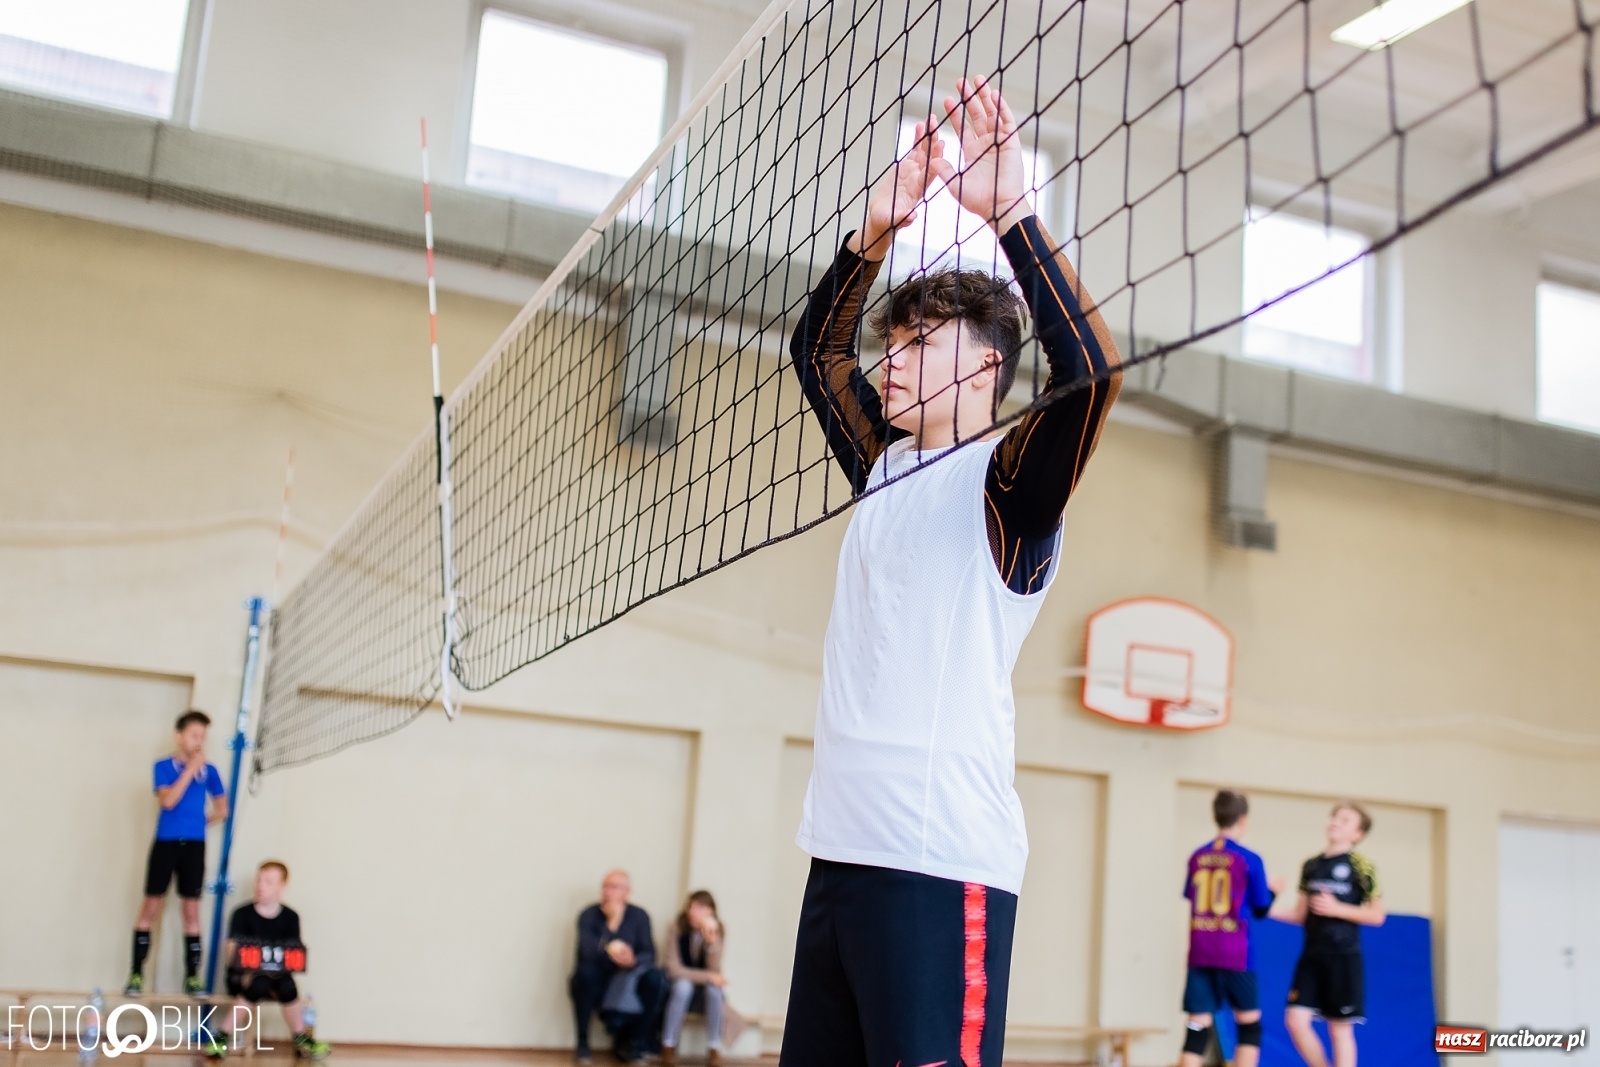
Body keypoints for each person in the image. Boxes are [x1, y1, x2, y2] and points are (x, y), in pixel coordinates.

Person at [781, 75, 1120, 1067]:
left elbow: (1092, 371)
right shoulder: (884, 462)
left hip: (938, 864)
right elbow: (817, 349)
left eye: (919, 341)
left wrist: (1011, 212)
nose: (892, 358)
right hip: (839, 853)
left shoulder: (1006, 486)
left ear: (982, 367)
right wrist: (875, 231)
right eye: (894, 340)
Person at [127, 710, 228, 995]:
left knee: (191, 910)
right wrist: (190, 770)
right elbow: (168, 800)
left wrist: (199, 822)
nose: (199, 741)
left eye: (203, 736)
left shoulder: (211, 772)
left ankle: (192, 977)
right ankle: (136, 974)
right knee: (150, 906)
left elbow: (222, 809)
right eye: (194, 735)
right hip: (166, 843)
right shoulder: (163, 766)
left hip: (194, 846)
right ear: (179, 736)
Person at [1278, 801, 1385, 1067]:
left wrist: (1338, 908)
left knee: (1339, 1029)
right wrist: (1262, 909)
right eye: (1334, 817)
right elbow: (1300, 914)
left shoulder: (1363, 866)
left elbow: (1376, 915)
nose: (1335, 822)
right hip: (1312, 956)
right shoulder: (1311, 865)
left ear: (1357, 834)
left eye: (1345, 820)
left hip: (1344, 956)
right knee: (1295, 1020)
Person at [1179, 790, 1280, 1067]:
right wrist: (1273, 892)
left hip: (1200, 950)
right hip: (1235, 952)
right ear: (1243, 820)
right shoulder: (1249, 859)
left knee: (1197, 1025)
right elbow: (1261, 909)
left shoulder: (1198, 856)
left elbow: (1193, 896)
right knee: (1249, 1025)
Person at [201, 860, 330, 1060]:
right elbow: (231, 953)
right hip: (243, 977)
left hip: (278, 979)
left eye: (269, 881)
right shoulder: (242, 914)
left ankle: (300, 1037)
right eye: (259, 880)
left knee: (285, 983)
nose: (261, 885)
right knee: (260, 982)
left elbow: (291, 957)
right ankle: (222, 1036)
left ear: (282, 886)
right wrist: (246, 971)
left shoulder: (290, 917)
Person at [568, 870, 667, 1063]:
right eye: (605, 886)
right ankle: (582, 1043)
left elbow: (649, 953)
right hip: (599, 976)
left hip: (629, 977)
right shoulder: (589, 915)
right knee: (585, 974)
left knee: (655, 979)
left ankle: (636, 1042)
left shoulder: (639, 916)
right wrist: (612, 924)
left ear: (627, 892)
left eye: (614, 887)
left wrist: (632, 961)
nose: (607, 891)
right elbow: (587, 953)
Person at [661, 890, 728, 1066]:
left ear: (711, 911)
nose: (692, 911)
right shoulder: (677, 927)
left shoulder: (718, 930)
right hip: (681, 984)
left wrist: (712, 944)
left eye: (698, 907)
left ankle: (714, 1047)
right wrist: (708, 976)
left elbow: (715, 970)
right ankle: (668, 1045)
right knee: (683, 986)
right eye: (690, 906)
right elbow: (673, 969)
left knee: (716, 990)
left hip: (703, 991)